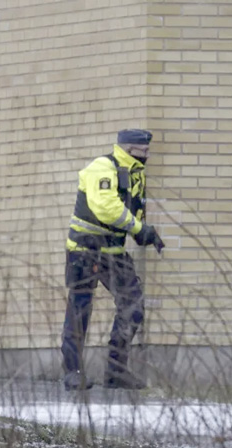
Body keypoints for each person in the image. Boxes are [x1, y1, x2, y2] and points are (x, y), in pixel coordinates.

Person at [60, 129, 165, 391]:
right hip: (85, 250)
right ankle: (72, 373)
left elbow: (132, 209)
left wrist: (144, 232)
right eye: (144, 151)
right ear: (130, 149)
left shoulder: (135, 174)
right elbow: (106, 207)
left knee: (133, 305)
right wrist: (139, 229)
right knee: (79, 310)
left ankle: (116, 371)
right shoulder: (102, 167)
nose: (148, 155)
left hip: (114, 252)